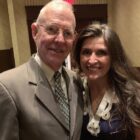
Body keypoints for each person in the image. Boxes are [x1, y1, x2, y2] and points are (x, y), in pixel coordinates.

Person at [0, 0, 84, 140]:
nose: (60, 40)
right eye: (52, 29)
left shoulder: (76, 80)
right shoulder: (6, 86)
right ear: (35, 31)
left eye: (67, 33)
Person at [73, 23, 140, 140]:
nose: (92, 60)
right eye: (86, 52)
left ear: (114, 57)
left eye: (101, 53)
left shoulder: (133, 95)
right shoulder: (74, 90)